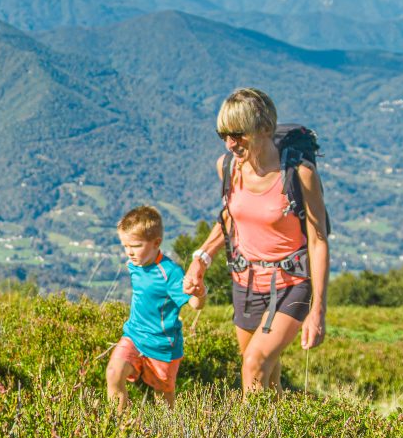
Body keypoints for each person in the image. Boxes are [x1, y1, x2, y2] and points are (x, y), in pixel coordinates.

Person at [183, 87, 328, 395]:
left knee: (253, 364)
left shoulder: (300, 174)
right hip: (247, 282)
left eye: (238, 134)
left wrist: (318, 310)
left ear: (264, 129)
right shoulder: (228, 168)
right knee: (265, 374)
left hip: (291, 283)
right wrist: (201, 260)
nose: (230, 144)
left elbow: (318, 241)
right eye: (223, 135)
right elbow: (230, 218)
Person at [105, 205, 203, 412]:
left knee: (164, 402)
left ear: (156, 243)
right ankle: (118, 430)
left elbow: (195, 305)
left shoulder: (170, 273)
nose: (129, 252)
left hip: (162, 346)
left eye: (136, 246)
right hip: (134, 335)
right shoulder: (135, 264)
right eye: (125, 246)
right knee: (113, 373)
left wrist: (199, 292)